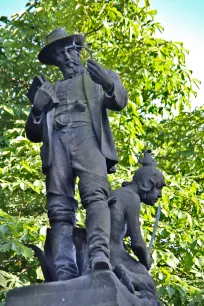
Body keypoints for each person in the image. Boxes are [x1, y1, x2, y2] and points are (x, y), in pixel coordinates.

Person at [25, 28, 128, 281]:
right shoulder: (49, 89)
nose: (66, 57)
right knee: (59, 209)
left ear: (78, 50)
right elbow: (33, 133)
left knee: (96, 196)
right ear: (55, 60)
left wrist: (108, 82)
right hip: (57, 145)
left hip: (87, 140)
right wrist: (37, 108)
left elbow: (120, 100)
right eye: (59, 55)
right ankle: (63, 269)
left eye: (69, 50)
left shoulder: (97, 78)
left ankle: (99, 256)